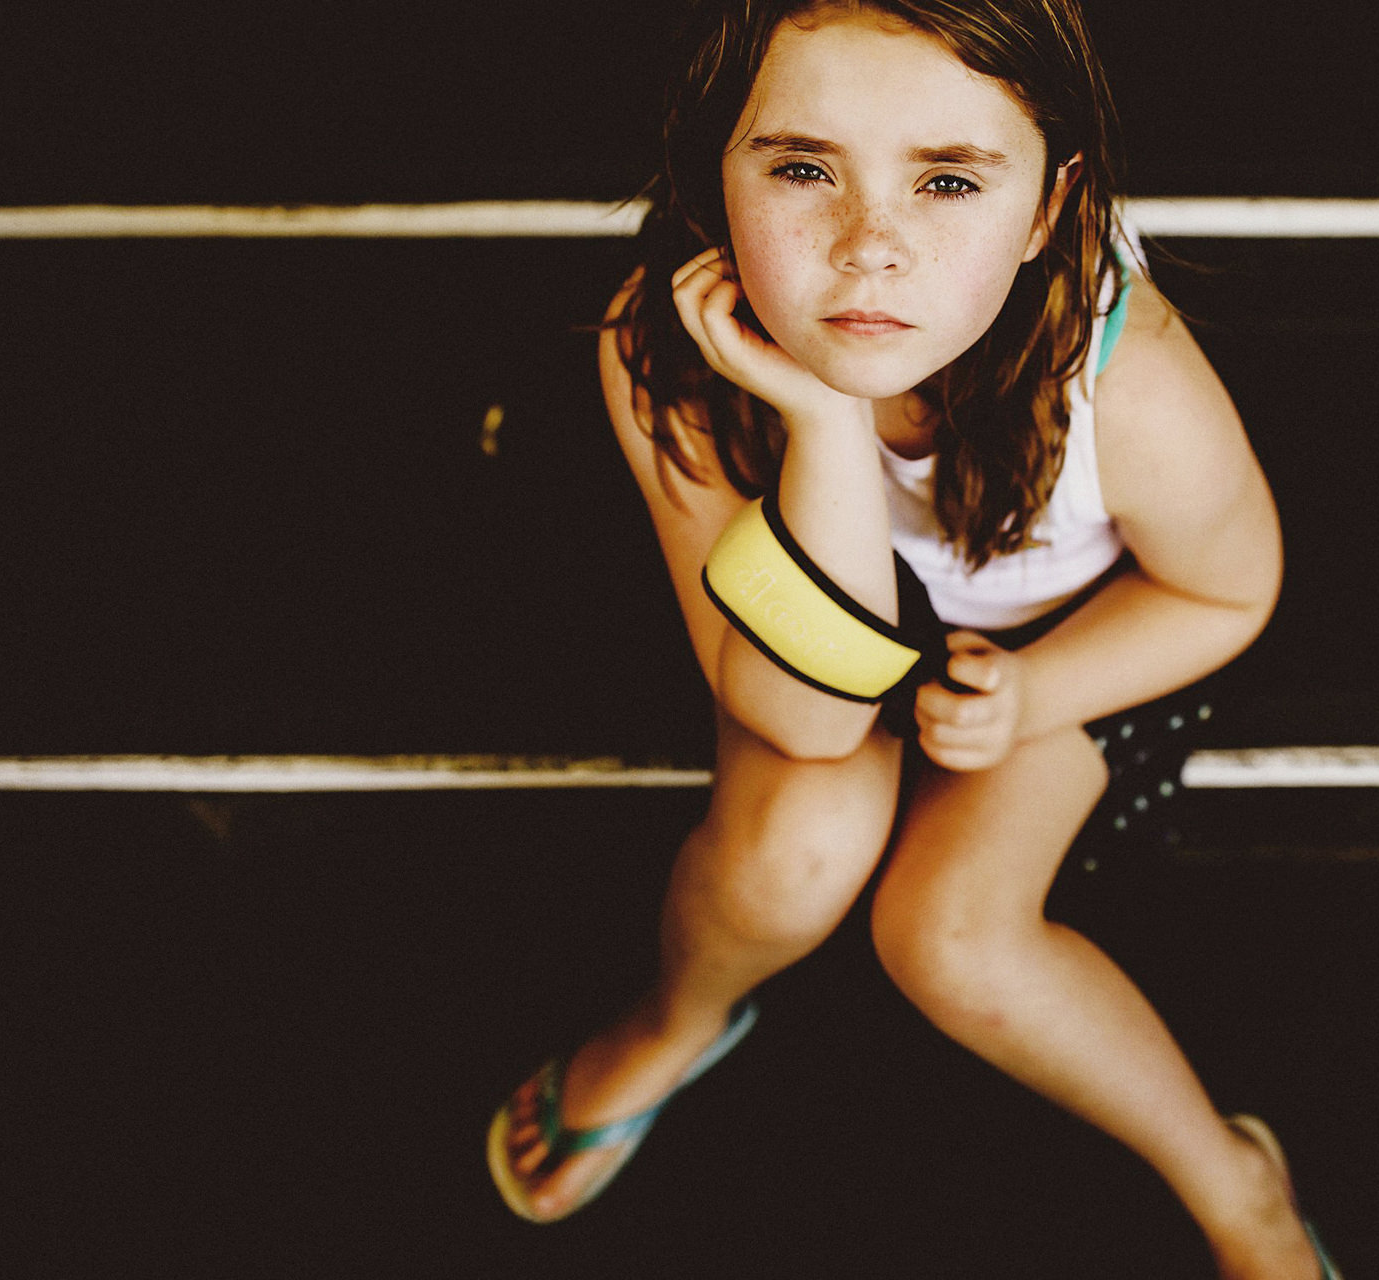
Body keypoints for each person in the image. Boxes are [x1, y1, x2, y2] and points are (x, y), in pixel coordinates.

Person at [487, 3, 1336, 1276]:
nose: (868, 248)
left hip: (1059, 643)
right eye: (801, 168)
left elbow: (1230, 590)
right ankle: (680, 1016)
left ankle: (1235, 1183)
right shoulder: (665, 345)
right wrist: (827, 423)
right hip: (816, 639)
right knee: (787, 851)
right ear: (713, 176)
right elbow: (805, 712)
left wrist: (1035, 691)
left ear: (1050, 210)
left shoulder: (1126, 373)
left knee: (948, 934)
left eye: (946, 180)